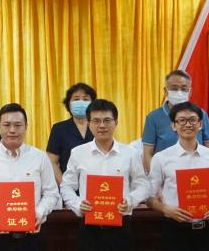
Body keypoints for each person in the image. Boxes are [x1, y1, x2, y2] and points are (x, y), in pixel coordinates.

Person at [61, 99, 151, 251]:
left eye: (107, 120)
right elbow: (66, 186)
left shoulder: (130, 153)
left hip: (121, 227)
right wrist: (78, 204)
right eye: (96, 121)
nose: (102, 125)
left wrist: (130, 201)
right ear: (89, 123)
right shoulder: (78, 153)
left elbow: (143, 185)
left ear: (116, 122)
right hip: (89, 228)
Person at [0, 103, 60, 251]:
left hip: (33, 236)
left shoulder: (40, 157)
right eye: (6, 125)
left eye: (18, 125)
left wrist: (39, 213)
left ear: (26, 127)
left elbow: (51, 193)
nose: (12, 130)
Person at [146, 102, 209, 251]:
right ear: (173, 125)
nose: (188, 124)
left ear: (200, 124)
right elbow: (149, 197)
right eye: (182, 120)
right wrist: (166, 209)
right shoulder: (161, 158)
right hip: (175, 230)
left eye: (192, 120)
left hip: (207, 229)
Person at [141, 70, 209, 172]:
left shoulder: (200, 114)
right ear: (166, 91)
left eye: (184, 89)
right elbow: (147, 153)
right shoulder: (153, 117)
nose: (179, 92)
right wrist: (155, 176)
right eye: (174, 88)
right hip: (166, 173)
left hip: (197, 172)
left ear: (190, 92)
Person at [46, 83, 97, 184]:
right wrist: (64, 185)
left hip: (96, 185)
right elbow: (52, 161)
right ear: (68, 103)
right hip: (68, 185)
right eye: (76, 99)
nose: (81, 102)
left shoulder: (99, 127)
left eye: (85, 99)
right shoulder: (59, 129)